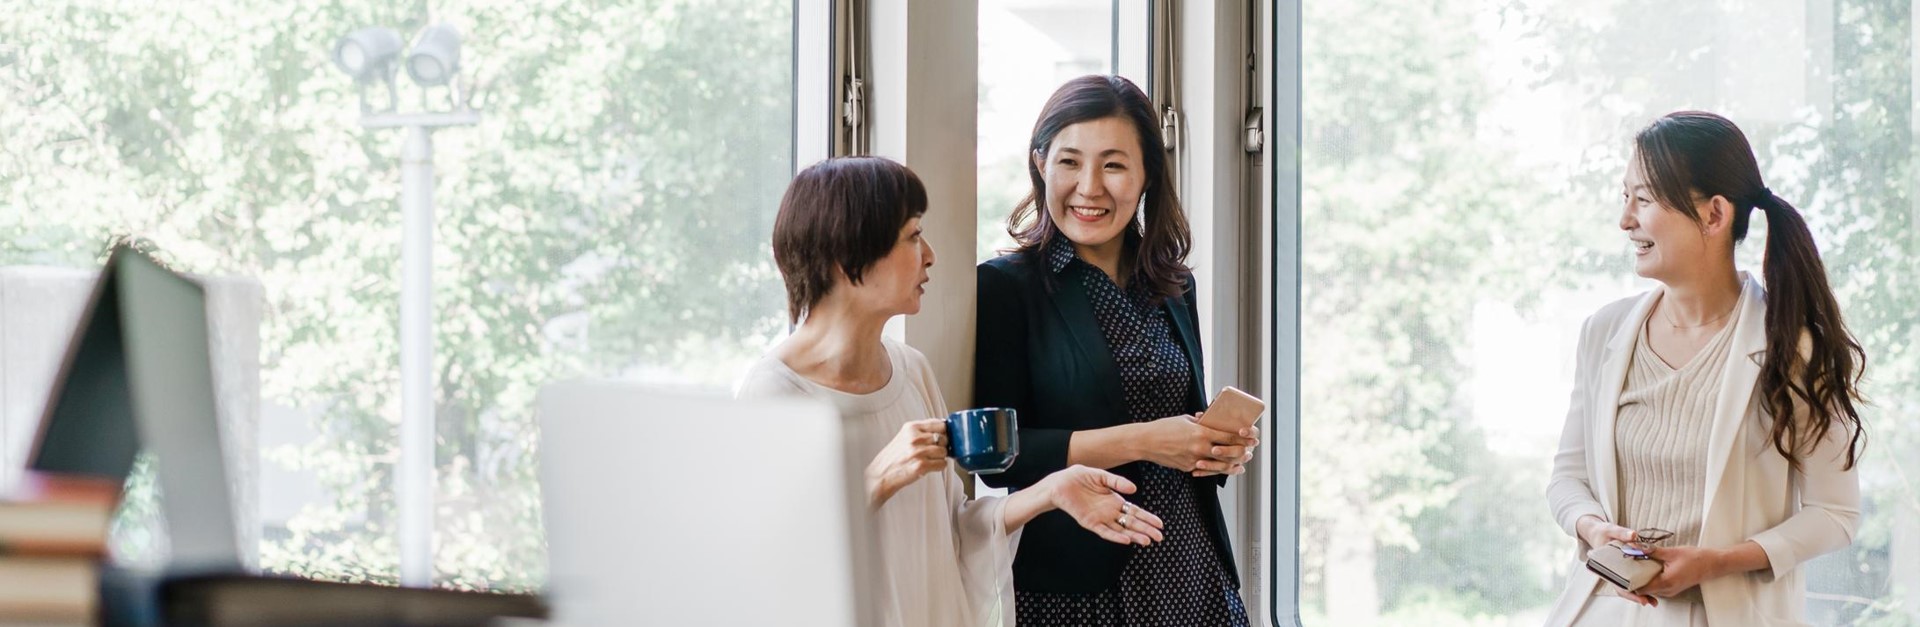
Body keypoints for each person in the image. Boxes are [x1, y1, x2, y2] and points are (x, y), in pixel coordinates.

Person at [737, 155, 1167, 627]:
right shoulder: (775, 393)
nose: (930, 255)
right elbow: (770, 563)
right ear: (847, 260)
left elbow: (956, 530)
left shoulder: (911, 370)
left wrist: (1052, 491)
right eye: (913, 235)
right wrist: (877, 479)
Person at [1544, 111, 1866, 626]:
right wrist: (1592, 528)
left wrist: (1716, 562)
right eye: (1624, 197)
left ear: (1714, 215)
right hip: (1602, 613)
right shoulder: (1603, 331)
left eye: (1643, 199)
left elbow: (1835, 514)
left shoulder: (1793, 345)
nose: (1625, 219)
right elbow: (1568, 477)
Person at [975, 74, 1259, 626]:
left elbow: (1181, 425)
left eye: (1113, 164)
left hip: (1190, 566)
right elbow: (998, 455)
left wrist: (1216, 446)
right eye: (1069, 162)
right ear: (1040, 164)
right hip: (1074, 587)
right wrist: (1149, 441)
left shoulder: (1173, 286)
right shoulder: (1006, 288)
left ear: (1147, 173)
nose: (1089, 187)